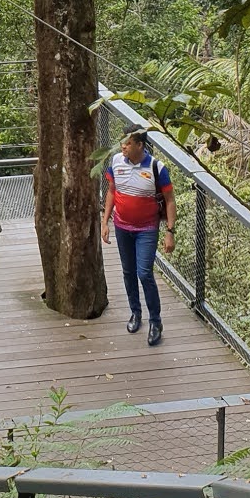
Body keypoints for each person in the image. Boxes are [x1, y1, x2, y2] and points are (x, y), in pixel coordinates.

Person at [101, 126, 176, 346]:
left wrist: (170, 232)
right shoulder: (116, 162)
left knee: (144, 273)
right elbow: (112, 191)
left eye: (128, 143)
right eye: (122, 142)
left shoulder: (156, 167)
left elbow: (170, 200)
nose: (123, 146)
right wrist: (105, 222)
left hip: (147, 229)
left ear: (140, 145)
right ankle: (136, 312)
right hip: (122, 226)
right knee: (128, 272)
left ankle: (156, 321)